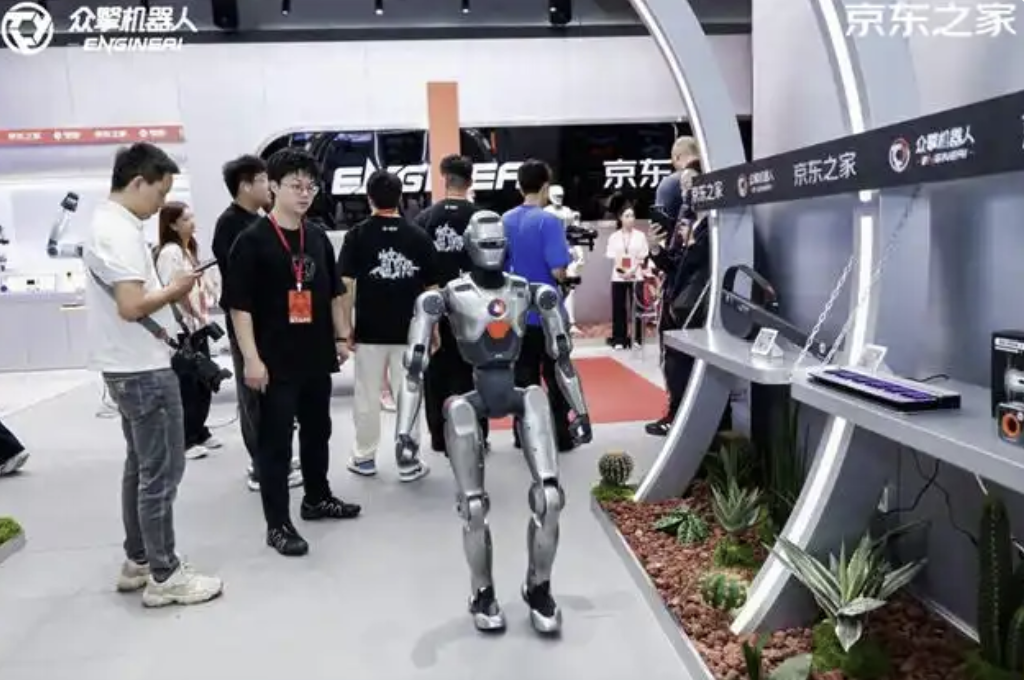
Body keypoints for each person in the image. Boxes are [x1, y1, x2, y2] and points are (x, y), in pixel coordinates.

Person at [394, 210, 592, 634]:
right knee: (473, 506)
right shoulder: (446, 296)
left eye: (498, 242)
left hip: (519, 391)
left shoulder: (530, 291)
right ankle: (482, 591)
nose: (492, 250)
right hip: (472, 397)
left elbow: (562, 358)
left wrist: (579, 410)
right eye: (484, 243)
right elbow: (414, 368)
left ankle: (539, 587)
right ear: (469, 245)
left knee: (550, 497)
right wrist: (404, 432)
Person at [83, 141, 222, 606]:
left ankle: (140, 560)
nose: (161, 205)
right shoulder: (118, 231)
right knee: (161, 472)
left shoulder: (108, 225)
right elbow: (131, 306)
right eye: (160, 193)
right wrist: (177, 288)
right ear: (138, 181)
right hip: (142, 368)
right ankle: (165, 575)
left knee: (141, 466)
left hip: (127, 366)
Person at [223, 148, 361, 557]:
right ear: (273, 187)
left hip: (315, 355)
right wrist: (251, 358)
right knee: (276, 443)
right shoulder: (251, 241)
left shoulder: (316, 236)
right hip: (274, 360)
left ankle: (317, 497)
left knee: (319, 431)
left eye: (310, 186)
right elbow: (240, 307)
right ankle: (277, 524)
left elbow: (333, 291)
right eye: (295, 185)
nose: (304, 194)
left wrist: (341, 337)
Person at [212, 155, 304, 492]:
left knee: (278, 392)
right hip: (250, 323)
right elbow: (242, 289)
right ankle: (261, 465)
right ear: (246, 185)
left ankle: (278, 454)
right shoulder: (231, 226)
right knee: (254, 391)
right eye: (265, 180)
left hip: (277, 322)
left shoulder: (263, 219)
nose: (270, 187)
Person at [338, 169, 438, 481]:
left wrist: (345, 328)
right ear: (400, 198)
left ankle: (364, 457)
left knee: (367, 396)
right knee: (409, 394)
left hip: (369, 330)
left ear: (369, 198)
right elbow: (432, 290)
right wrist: (433, 329)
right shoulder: (417, 235)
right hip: (411, 332)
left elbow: (345, 285)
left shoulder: (357, 235)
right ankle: (408, 461)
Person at [414, 154, 490, 453]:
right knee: (475, 371)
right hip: (475, 309)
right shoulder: (482, 219)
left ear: (445, 179)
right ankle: (476, 434)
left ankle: (439, 436)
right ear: (470, 181)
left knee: (436, 372)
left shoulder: (424, 219)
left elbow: (416, 268)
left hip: (436, 308)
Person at [644, 136, 720, 436]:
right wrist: (655, 248)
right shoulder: (685, 224)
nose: (686, 190)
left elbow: (692, 264)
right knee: (673, 362)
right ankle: (676, 413)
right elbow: (674, 263)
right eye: (684, 185)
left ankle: (687, 419)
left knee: (687, 365)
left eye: (692, 184)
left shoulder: (713, 228)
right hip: (676, 300)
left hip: (695, 306)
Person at [502, 160, 575, 452]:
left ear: (520, 186)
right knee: (557, 375)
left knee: (523, 377)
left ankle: (523, 434)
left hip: (516, 312)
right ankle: (561, 434)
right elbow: (558, 270)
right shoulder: (549, 222)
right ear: (546, 186)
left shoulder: (504, 220)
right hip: (548, 314)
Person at [154, 202, 220, 460]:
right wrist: (191, 314)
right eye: (185, 219)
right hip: (183, 328)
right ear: (172, 224)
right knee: (188, 386)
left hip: (197, 325)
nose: (192, 223)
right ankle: (185, 439)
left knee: (204, 380)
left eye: (192, 217)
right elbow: (173, 290)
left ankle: (199, 430)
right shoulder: (170, 253)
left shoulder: (189, 249)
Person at [605, 198, 649, 349]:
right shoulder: (614, 237)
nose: (631, 219)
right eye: (627, 216)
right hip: (618, 277)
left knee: (637, 308)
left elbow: (642, 255)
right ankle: (619, 339)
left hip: (636, 276)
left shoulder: (640, 236)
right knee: (619, 308)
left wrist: (632, 270)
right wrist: (623, 272)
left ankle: (637, 338)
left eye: (632, 216)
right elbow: (612, 255)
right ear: (620, 218)